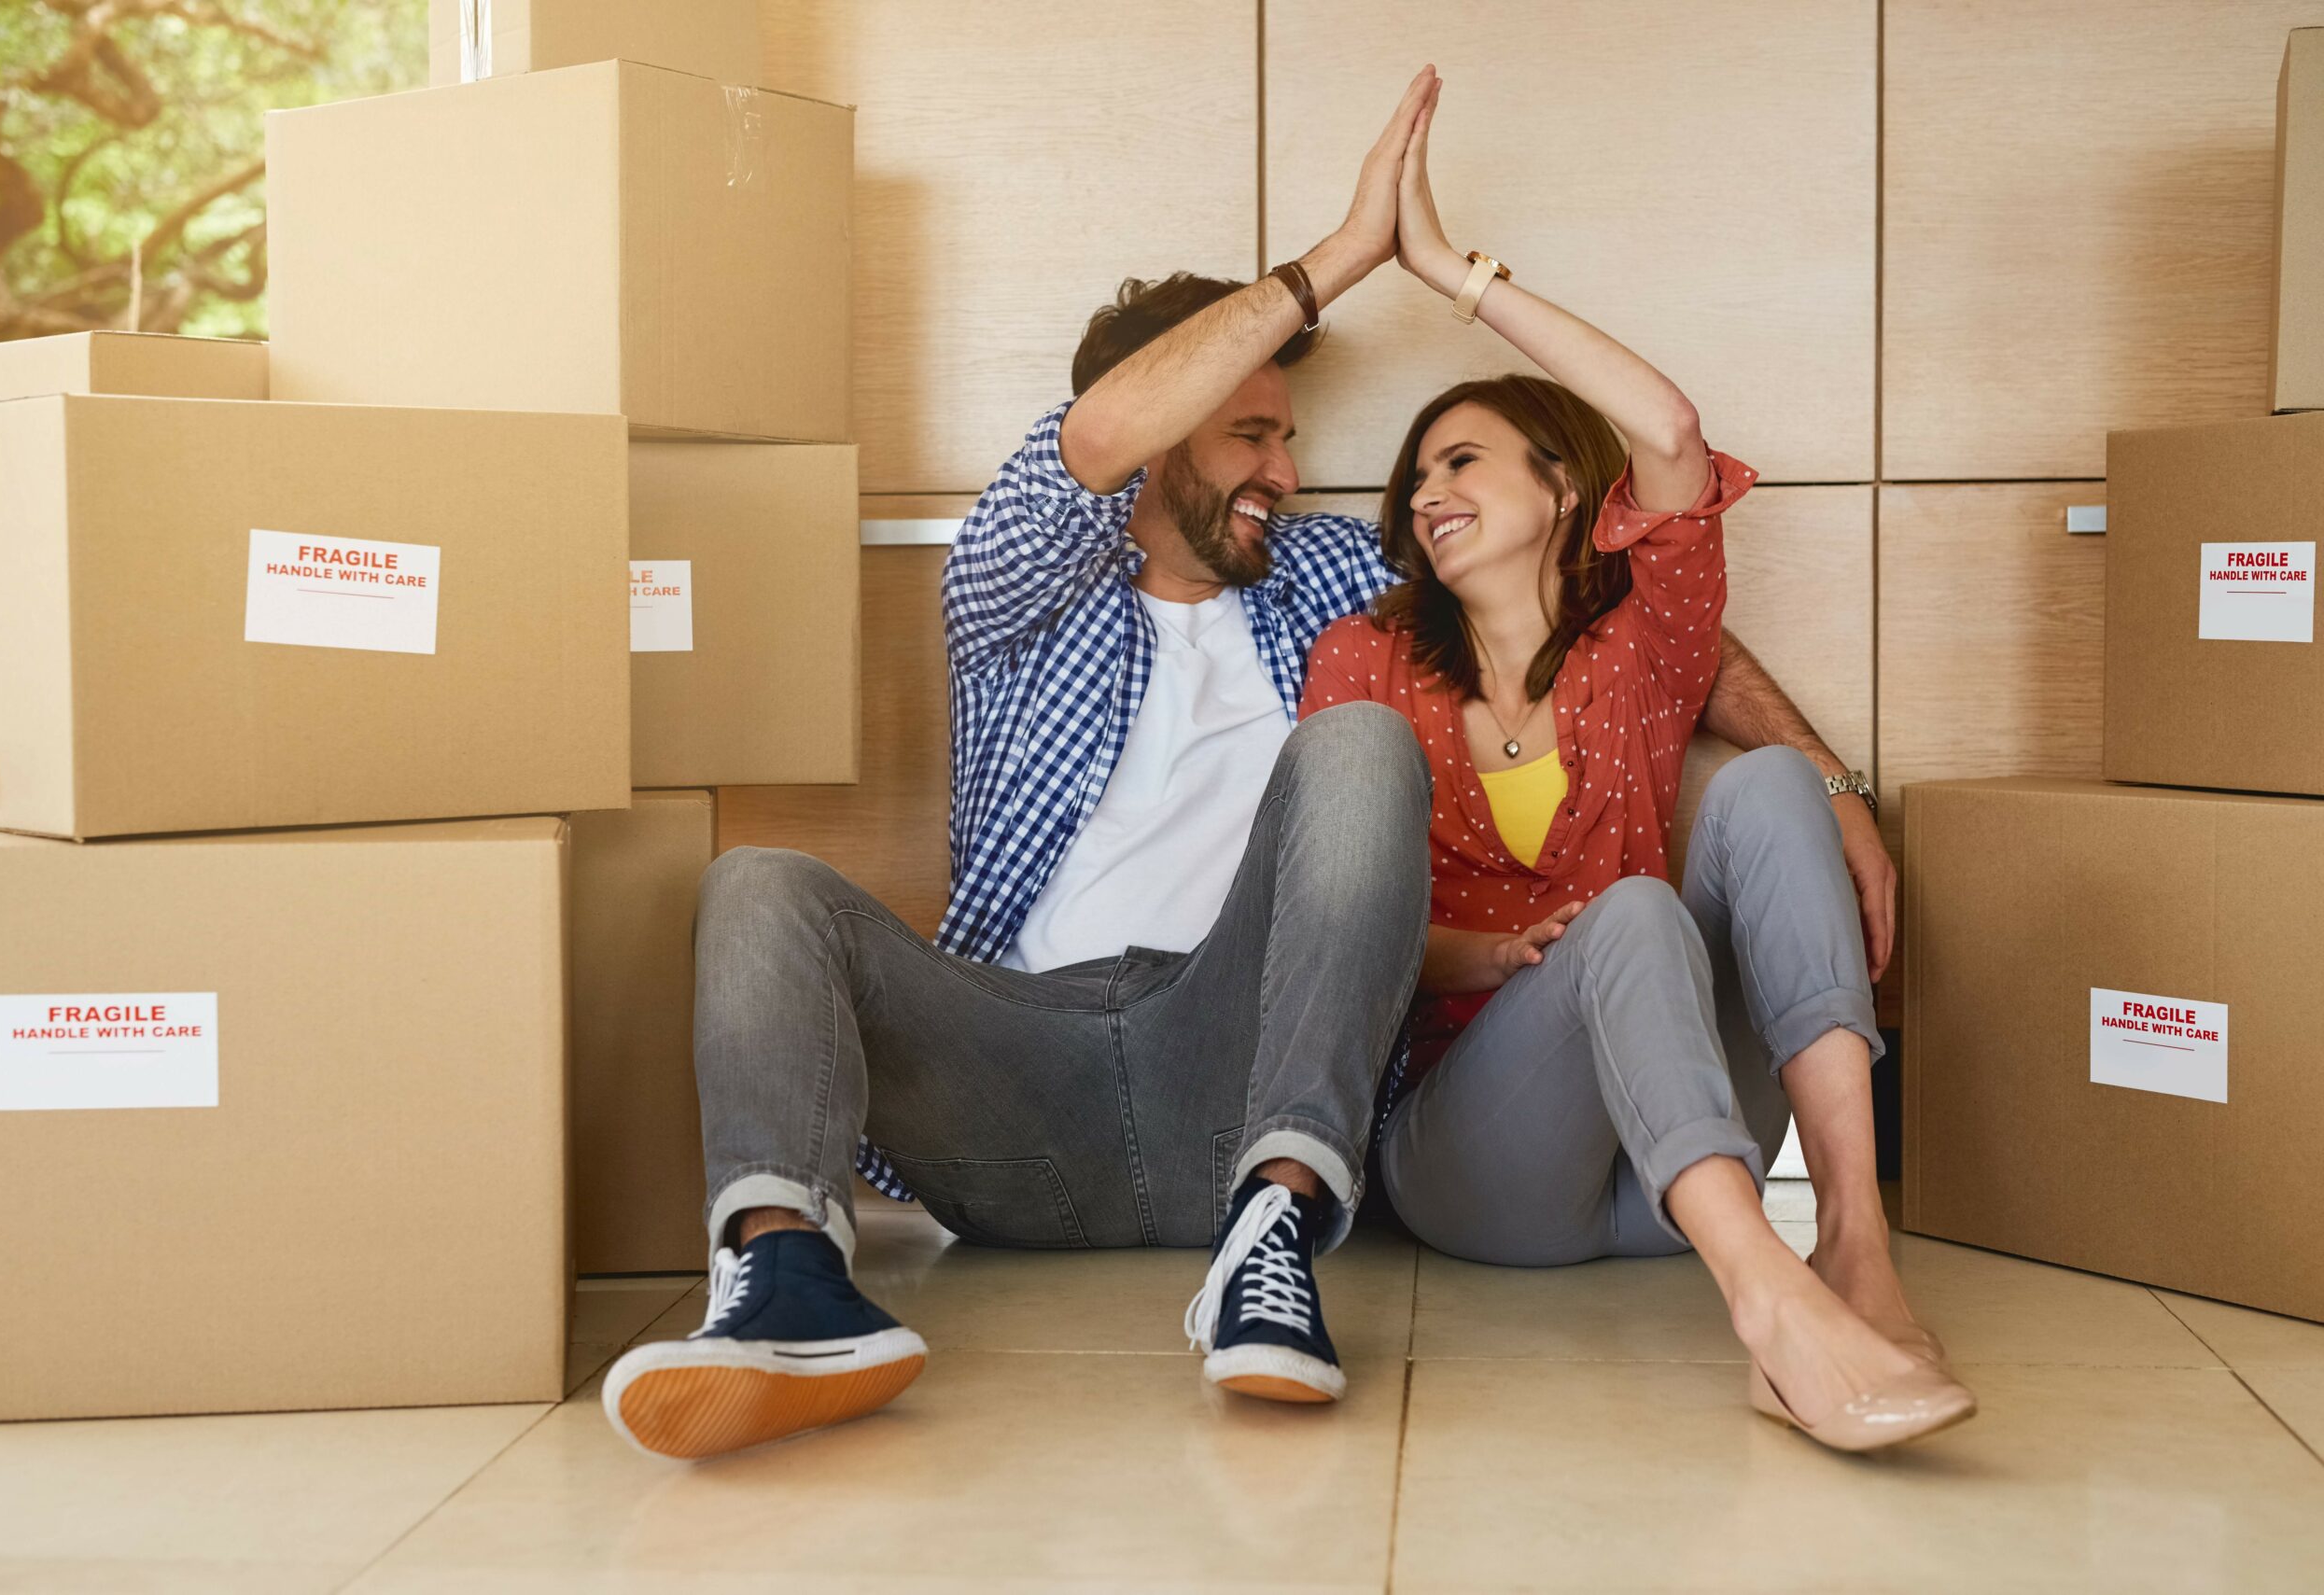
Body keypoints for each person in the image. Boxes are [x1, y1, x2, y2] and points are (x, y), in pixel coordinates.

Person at [603, 65, 1894, 1462]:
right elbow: (1092, 439)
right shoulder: (1012, 587)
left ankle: (1273, 1235)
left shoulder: (1339, 588)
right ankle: (787, 1280)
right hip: (1017, 1075)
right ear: (1165, 438)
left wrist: (1822, 773)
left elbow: (1622, 605)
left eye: (1290, 435)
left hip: (1240, 1052)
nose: (1288, 467)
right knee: (759, 887)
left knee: (1354, 747)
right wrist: (1346, 256)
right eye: (1252, 432)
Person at [1296, 76, 1974, 1452]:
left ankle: (1851, 1235)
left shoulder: (1641, 647)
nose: (1427, 493)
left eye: (1464, 460)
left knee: (1777, 785)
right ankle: (1774, 1313)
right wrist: (1498, 955)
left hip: (1676, 1150)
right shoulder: (1363, 661)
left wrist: (1456, 277)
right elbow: (1330, 935)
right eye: (1414, 479)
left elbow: (1667, 431)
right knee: (1633, 914)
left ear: (1563, 488)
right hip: (1483, 1163)